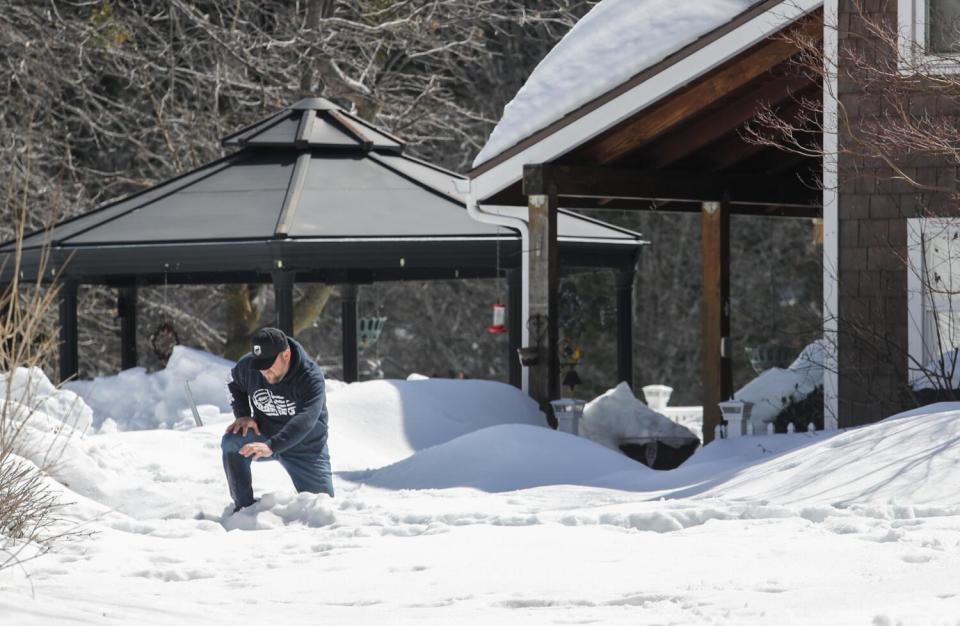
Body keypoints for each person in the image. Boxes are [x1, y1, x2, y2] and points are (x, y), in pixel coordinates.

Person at [222, 327, 333, 512]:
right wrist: (242, 414)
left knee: (321, 509)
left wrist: (272, 446)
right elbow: (232, 382)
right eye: (260, 365)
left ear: (286, 355)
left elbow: (306, 419)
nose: (265, 371)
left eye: (270, 364)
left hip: (305, 447)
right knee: (232, 441)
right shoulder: (249, 366)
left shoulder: (310, 377)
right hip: (264, 435)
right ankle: (243, 508)